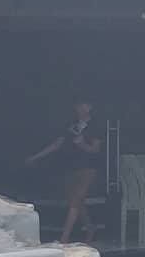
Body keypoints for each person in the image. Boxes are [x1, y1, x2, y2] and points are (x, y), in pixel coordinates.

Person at [26, 101, 103, 244]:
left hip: (88, 169)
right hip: (72, 168)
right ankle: (90, 228)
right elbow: (57, 144)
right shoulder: (71, 125)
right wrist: (36, 157)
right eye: (78, 105)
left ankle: (64, 238)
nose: (81, 108)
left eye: (84, 105)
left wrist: (83, 145)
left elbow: (95, 150)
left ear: (90, 107)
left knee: (75, 200)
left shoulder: (95, 126)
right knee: (76, 202)